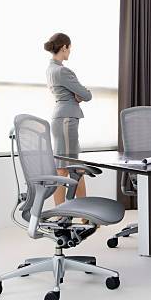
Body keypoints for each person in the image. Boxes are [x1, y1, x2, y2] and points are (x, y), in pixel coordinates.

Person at [44, 32, 92, 206]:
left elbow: (79, 94)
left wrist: (76, 94)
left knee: (67, 167)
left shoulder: (51, 69)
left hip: (61, 118)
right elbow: (86, 95)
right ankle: (75, 213)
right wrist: (78, 94)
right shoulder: (63, 71)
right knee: (70, 168)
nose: (70, 52)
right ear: (64, 47)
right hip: (67, 120)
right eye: (69, 48)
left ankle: (72, 213)